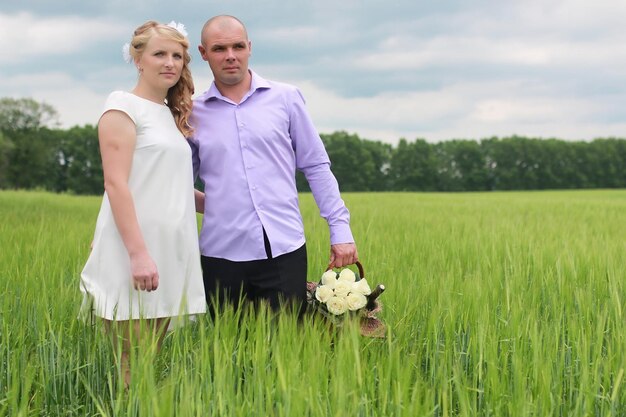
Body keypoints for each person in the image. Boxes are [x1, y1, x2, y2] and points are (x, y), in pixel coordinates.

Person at [189, 15, 358, 314]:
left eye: (238, 46)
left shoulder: (286, 98)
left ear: (249, 48)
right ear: (203, 53)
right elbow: (174, 186)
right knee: (228, 351)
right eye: (219, 49)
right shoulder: (192, 113)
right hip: (220, 254)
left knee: (286, 349)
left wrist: (340, 230)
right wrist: (217, 204)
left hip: (284, 249)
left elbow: (316, 166)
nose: (230, 56)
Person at [80, 20, 206, 387]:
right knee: (130, 365)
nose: (170, 63)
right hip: (136, 249)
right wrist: (138, 254)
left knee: (148, 360)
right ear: (138, 59)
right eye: (159, 54)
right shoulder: (122, 106)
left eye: (177, 56)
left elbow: (175, 186)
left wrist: (225, 206)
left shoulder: (170, 115)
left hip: (172, 249)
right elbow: (116, 183)